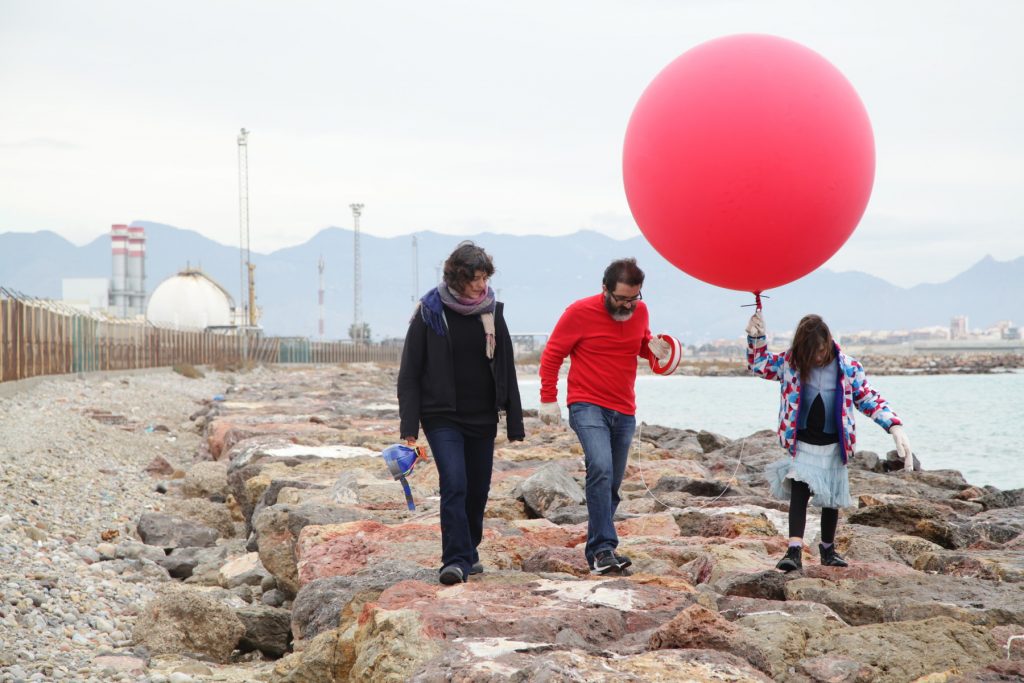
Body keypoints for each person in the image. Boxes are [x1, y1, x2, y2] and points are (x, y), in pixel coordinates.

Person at [539, 258, 681, 575]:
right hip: (586, 404)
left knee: (613, 482)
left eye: (634, 298)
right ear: (605, 289)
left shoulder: (639, 312)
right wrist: (548, 398)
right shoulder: (578, 312)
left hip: (624, 409)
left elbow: (638, 343)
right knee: (600, 467)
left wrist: (653, 348)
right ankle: (604, 549)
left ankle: (599, 549)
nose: (628, 305)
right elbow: (552, 354)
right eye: (622, 299)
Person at [746, 310, 914, 572]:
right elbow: (759, 365)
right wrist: (756, 337)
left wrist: (894, 425)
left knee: (832, 499)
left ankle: (828, 550)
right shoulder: (791, 363)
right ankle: (793, 551)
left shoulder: (848, 367)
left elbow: (868, 397)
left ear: (829, 342)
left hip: (834, 443)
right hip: (802, 442)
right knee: (799, 494)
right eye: (811, 352)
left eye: (821, 350)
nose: (817, 357)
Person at [398, 241, 525, 585]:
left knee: (478, 489)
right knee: (455, 482)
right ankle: (454, 560)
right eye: (475, 279)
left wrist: (515, 421)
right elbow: (410, 370)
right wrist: (408, 424)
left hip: (482, 415)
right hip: (441, 415)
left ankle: (469, 548)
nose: (481, 285)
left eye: (485, 277)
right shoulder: (430, 312)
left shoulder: (492, 312)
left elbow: (506, 366)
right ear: (457, 278)